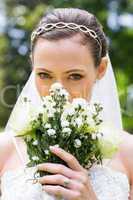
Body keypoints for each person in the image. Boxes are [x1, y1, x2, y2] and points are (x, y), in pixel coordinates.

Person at [0, 7, 133, 200]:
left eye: (75, 76)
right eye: (44, 75)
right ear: (32, 65)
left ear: (101, 69)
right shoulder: (5, 150)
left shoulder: (128, 153)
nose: (58, 91)